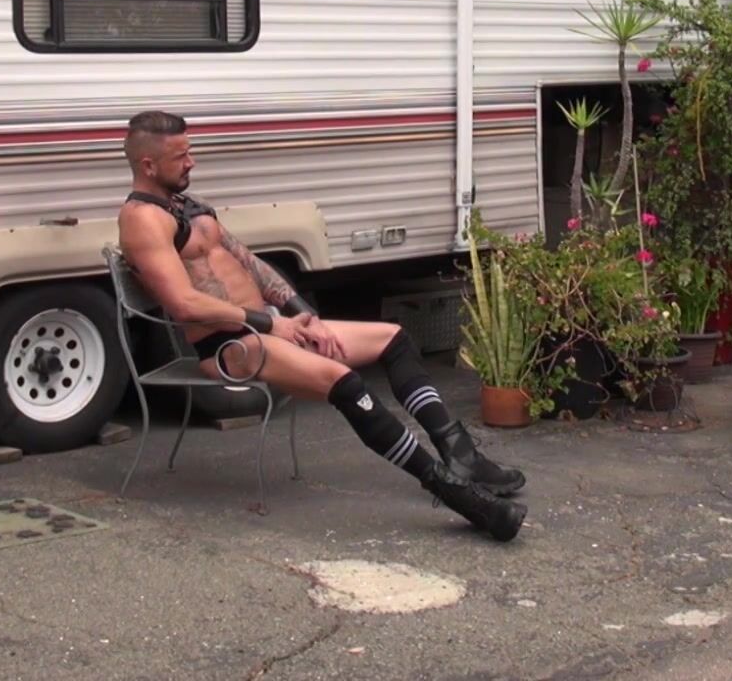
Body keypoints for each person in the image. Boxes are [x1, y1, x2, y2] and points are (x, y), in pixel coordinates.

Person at [114, 110, 528, 541]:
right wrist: (270, 326)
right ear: (148, 165)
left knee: (394, 339)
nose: (192, 162)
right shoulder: (142, 219)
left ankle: (461, 455)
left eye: (190, 151)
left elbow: (250, 264)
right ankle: (455, 492)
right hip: (229, 347)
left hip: (269, 329)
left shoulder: (187, 204)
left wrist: (301, 314)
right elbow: (185, 305)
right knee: (345, 383)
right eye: (180, 156)